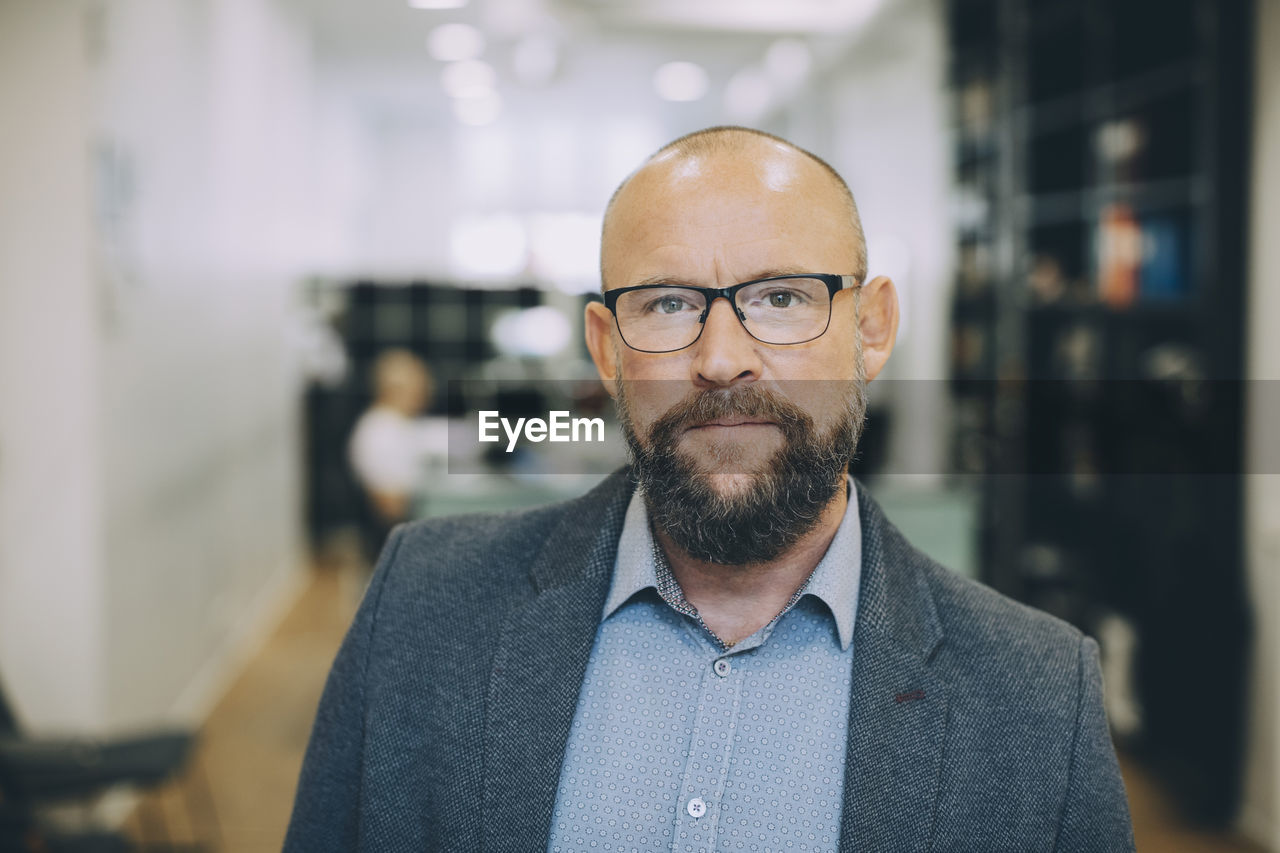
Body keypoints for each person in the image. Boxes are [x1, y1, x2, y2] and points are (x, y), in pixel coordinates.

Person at [285, 127, 1134, 851]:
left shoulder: (1038, 694)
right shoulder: (422, 605)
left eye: (780, 297)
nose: (722, 357)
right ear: (607, 347)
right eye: (665, 304)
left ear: (870, 331)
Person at [347, 349, 446, 555]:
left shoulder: (396, 424)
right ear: (396, 389)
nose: (429, 390)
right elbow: (390, 507)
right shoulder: (380, 434)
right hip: (395, 547)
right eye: (421, 384)